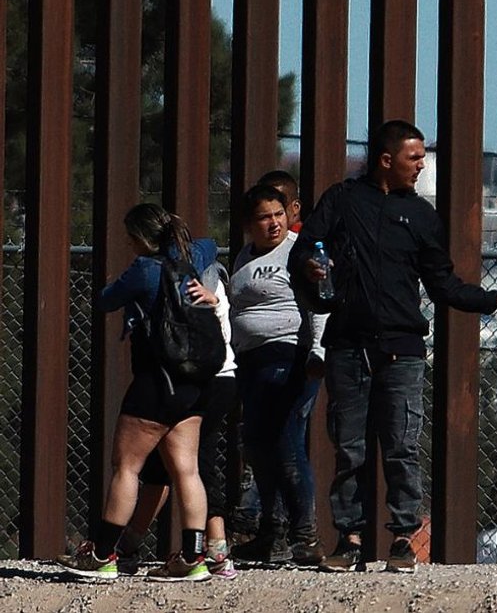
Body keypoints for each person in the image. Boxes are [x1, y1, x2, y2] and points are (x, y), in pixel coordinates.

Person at [289, 119, 497, 573]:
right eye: (414, 157)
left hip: (402, 349)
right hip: (349, 344)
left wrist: (495, 299)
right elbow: (304, 251)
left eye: (422, 157)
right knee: (349, 447)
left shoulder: (422, 216)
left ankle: (403, 539)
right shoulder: (343, 200)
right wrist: (312, 266)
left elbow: (443, 284)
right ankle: (349, 539)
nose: (421, 165)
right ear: (387, 160)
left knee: (401, 446)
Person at [57, 203, 218, 582]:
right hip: (194, 383)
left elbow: (105, 299)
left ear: (141, 238)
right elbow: (209, 244)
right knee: (187, 470)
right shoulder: (193, 257)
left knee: (127, 466)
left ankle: (102, 554)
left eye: (131, 238)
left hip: (156, 381)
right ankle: (193, 558)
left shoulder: (144, 269)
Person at [115, 264, 240, 579]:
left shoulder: (193, 277)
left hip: (202, 377)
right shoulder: (199, 272)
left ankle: (213, 550)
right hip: (210, 377)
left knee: (190, 464)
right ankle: (133, 545)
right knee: (171, 465)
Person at [228, 183, 327, 566]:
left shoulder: (296, 251)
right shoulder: (245, 256)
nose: (273, 223)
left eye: (278, 214)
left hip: (288, 354)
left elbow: (319, 302)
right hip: (250, 360)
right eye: (263, 217)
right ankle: (272, 533)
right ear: (248, 224)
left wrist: (318, 350)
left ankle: (305, 535)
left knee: (286, 443)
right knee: (257, 445)